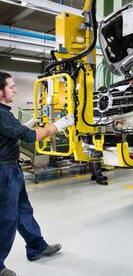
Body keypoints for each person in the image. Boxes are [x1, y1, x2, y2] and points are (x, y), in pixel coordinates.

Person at [0, 71, 74, 276]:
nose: (15, 89)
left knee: (23, 210)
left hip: (11, 168)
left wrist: (30, 122)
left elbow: (12, 134)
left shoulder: (5, 112)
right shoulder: (1, 114)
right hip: (4, 171)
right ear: (0, 91)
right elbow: (31, 137)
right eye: (11, 86)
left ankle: (36, 247)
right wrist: (57, 126)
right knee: (6, 218)